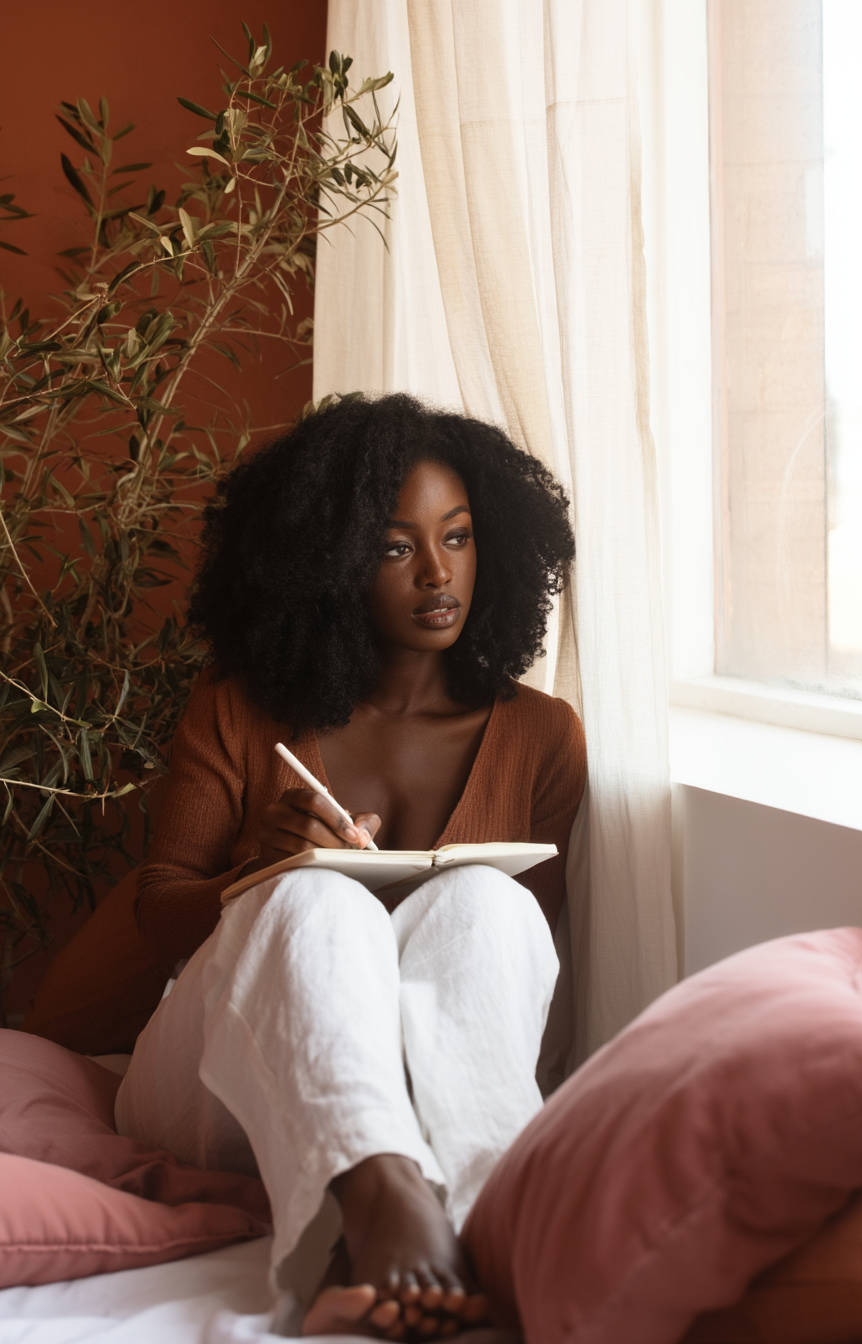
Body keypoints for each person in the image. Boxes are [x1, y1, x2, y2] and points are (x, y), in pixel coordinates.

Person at [115, 393, 586, 1339]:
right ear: (327, 563)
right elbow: (158, 913)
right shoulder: (239, 709)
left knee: (489, 905)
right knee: (314, 901)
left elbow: (508, 988)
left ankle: (471, 1217)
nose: (437, 573)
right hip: (225, 1075)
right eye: (394, 547)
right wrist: (264, 867)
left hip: (414, 1082)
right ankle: (382, 1197)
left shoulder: (541, 734)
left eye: (457, 537)